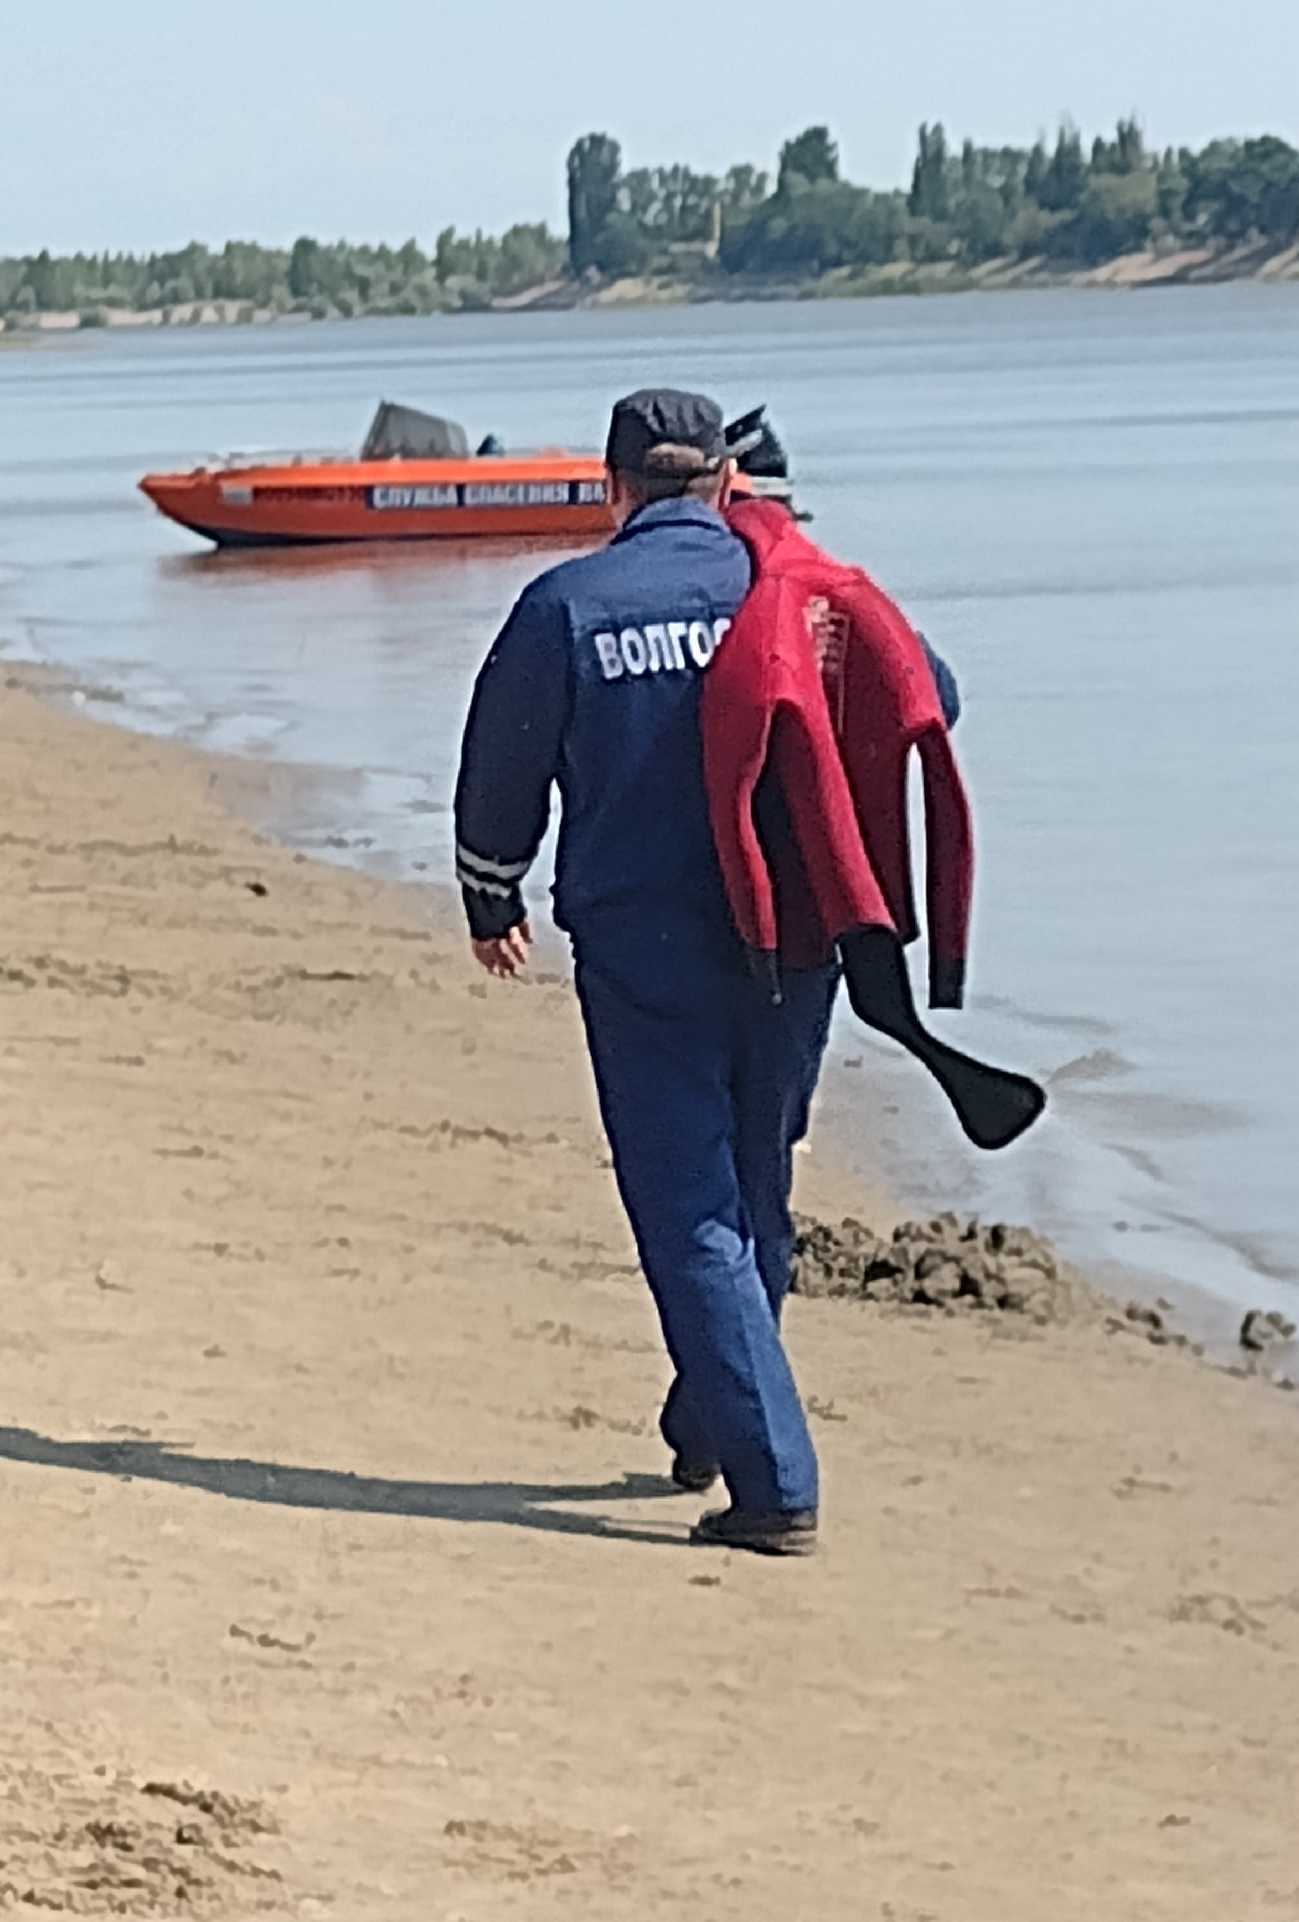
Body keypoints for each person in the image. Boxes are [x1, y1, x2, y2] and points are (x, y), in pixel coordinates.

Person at [452, 389, 834, 1557]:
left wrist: (490, 892)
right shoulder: (797, 591)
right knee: (756, 1182)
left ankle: (772, 1484)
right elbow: (931, 692)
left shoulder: (567, 606)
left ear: (611, 489)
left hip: (645, 947)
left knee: (689, 1205)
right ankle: (711, 1412)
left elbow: (501, 765)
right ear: (726, 484)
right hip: (795, 942)